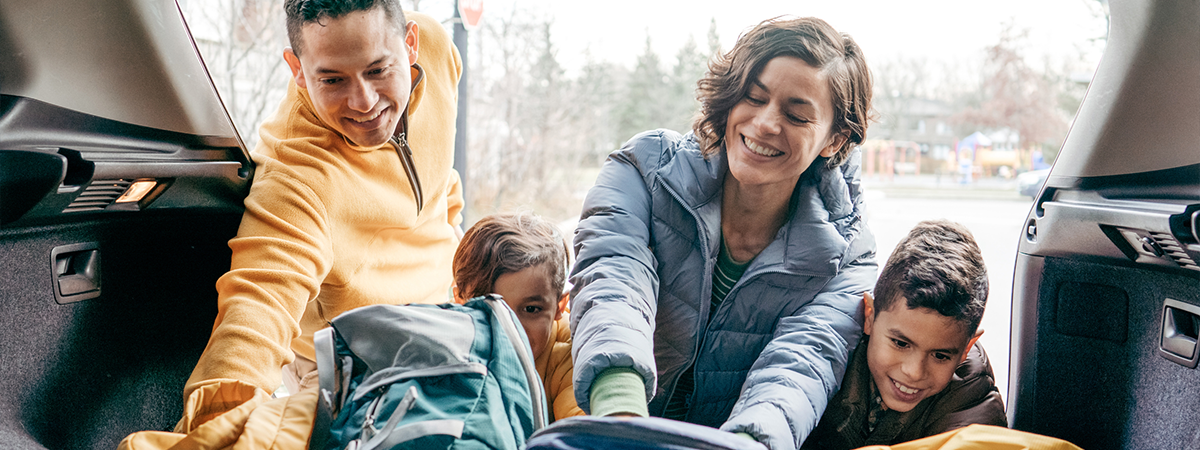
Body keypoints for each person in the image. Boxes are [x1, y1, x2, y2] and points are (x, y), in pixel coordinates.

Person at [569, 16, 877, 450]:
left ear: (835, 138)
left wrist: (749, 444)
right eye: (754, 97)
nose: (766, 123)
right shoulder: (643, 168)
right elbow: (613, 277)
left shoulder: (850, 258)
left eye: (796, 115)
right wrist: (621, 419)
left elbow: (803, 363)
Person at [177, 0, 464, 431]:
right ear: (297, 68)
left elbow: (443, 183)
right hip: (361, 366)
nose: (364, 102)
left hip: (450, 317)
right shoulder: (298, 175)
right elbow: (258, 305)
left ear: (410, 44)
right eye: (332, 79)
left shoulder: (438, 50)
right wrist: (215, 427)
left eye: (378, 70)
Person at [802, 220, 1006, 449]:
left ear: (966, 350)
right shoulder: (827, 360)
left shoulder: (971, 398)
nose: (913, 372)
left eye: (940, 356)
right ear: (869, 315)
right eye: (900, 343)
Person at [453, 212, 585, 422]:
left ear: (560, 306)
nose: (510, 327)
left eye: (531, 309)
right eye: (489, 308)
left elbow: (580, 429)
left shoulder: (569, 353)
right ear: (459, 301)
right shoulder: (448, 343)